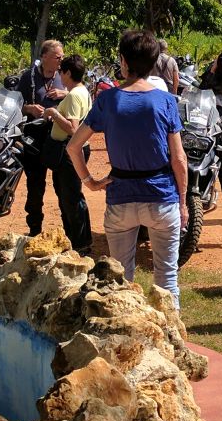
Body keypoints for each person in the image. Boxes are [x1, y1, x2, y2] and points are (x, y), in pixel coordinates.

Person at [68, 29, 186, 304]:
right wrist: (182, 202)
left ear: (123, 60)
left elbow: (73, 146)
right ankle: (172, 331)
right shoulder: (166, 101)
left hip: (120, 198)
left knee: (121, 282)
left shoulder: (108, 100)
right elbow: (179, 159)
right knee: (167, 278)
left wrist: (90, 182)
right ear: (154, 62)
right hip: (161, 198)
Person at [15, 39, 67, 236]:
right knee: (35, 186)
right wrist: (29, 108)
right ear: (44, 57)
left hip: (57, 137)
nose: (60, 60)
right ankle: (35, 229)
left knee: (63, 185)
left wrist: (64, 93)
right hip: (34, 138)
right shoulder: (28, 77)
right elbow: (15, 105)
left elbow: (79, 93)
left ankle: (68, 231)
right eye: (57, 57)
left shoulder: (64, 75)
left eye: (62, 57)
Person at [44, 53, 93, 252]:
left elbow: (73, 129)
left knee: (70, 197)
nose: (60, 76)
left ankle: (79, 242)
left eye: (61, 72)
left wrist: (54, 113)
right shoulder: (82, 91)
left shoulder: (73, 95)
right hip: (74, 150)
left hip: (69, 151)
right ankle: (77, 239)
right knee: (69, 195)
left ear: (69, 73)